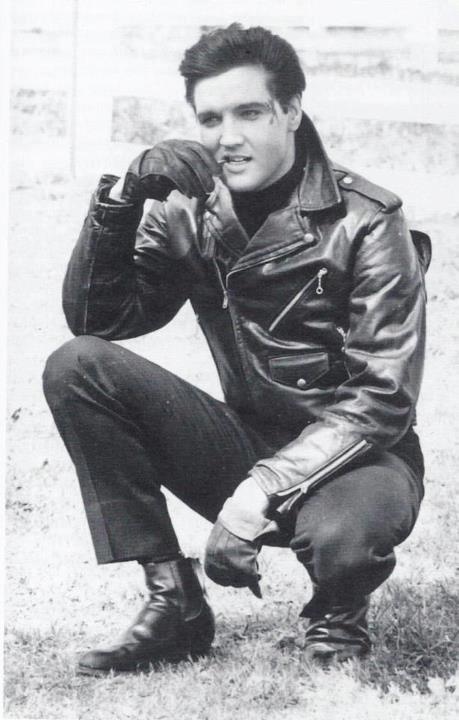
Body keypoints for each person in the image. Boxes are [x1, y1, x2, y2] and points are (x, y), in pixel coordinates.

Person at [43, 24, 430, 675]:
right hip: (246, 439)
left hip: (362, 459)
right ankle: (176, 606)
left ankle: (336, 620)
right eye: (211, 117)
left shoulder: (366, 219)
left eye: (249, 112)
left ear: (290, 111)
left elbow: (382, 400)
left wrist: (255, 496)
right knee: (78, 366)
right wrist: (121, 205)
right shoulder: (191, 209)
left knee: (342, 533)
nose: (228, 136)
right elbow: (98, 319)